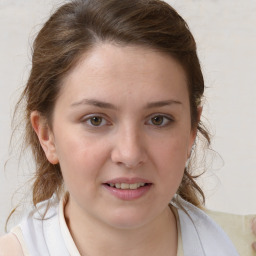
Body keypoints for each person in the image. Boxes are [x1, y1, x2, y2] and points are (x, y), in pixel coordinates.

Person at [0, 0, 255, 255]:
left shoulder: (243, 244)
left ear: (191, 130)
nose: (130, 154)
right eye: (95, 120)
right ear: (47, 135)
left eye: (158, 120)